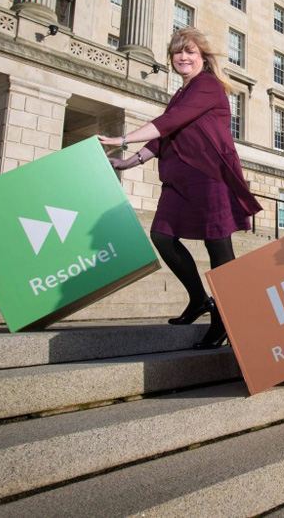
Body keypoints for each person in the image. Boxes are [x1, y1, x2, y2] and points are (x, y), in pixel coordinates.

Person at [99, 28, 261, 348]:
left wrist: (121, 138)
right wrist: (129, 161)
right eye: (177, 53)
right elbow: (163, 136)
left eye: (189, 52)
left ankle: (224, 321)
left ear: (202, 57)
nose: (183, 58)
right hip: (178, 179)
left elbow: (168, 124)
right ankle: (200, 299)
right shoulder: (180, 94)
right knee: (162, 235)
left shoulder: (208, 86)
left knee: (219, 248)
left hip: (208, 175)